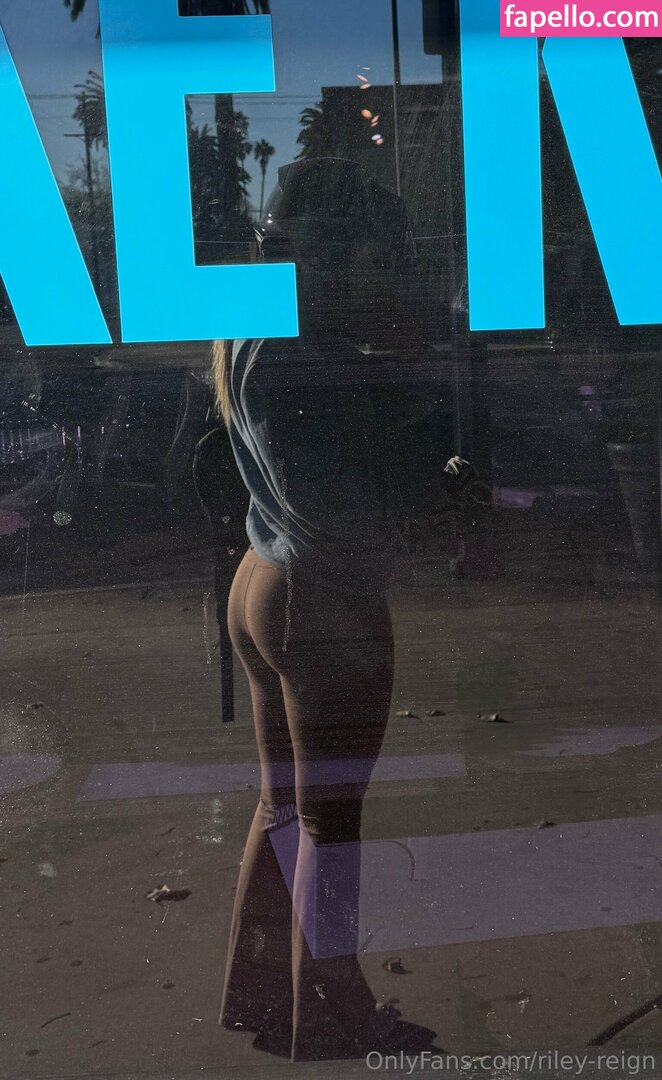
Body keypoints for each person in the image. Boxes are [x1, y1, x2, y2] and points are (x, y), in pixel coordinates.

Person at [214, 158, 439, 1061]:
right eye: (382, 255)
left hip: (265, 578)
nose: (394, 271)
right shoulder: (303, 352)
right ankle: (338, 1020)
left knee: (286, 810)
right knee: (329, 826)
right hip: (319, 597)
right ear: (336, 253)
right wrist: (415, 515)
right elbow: (334, 512)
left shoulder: (259, 332)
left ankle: (268, 1001)